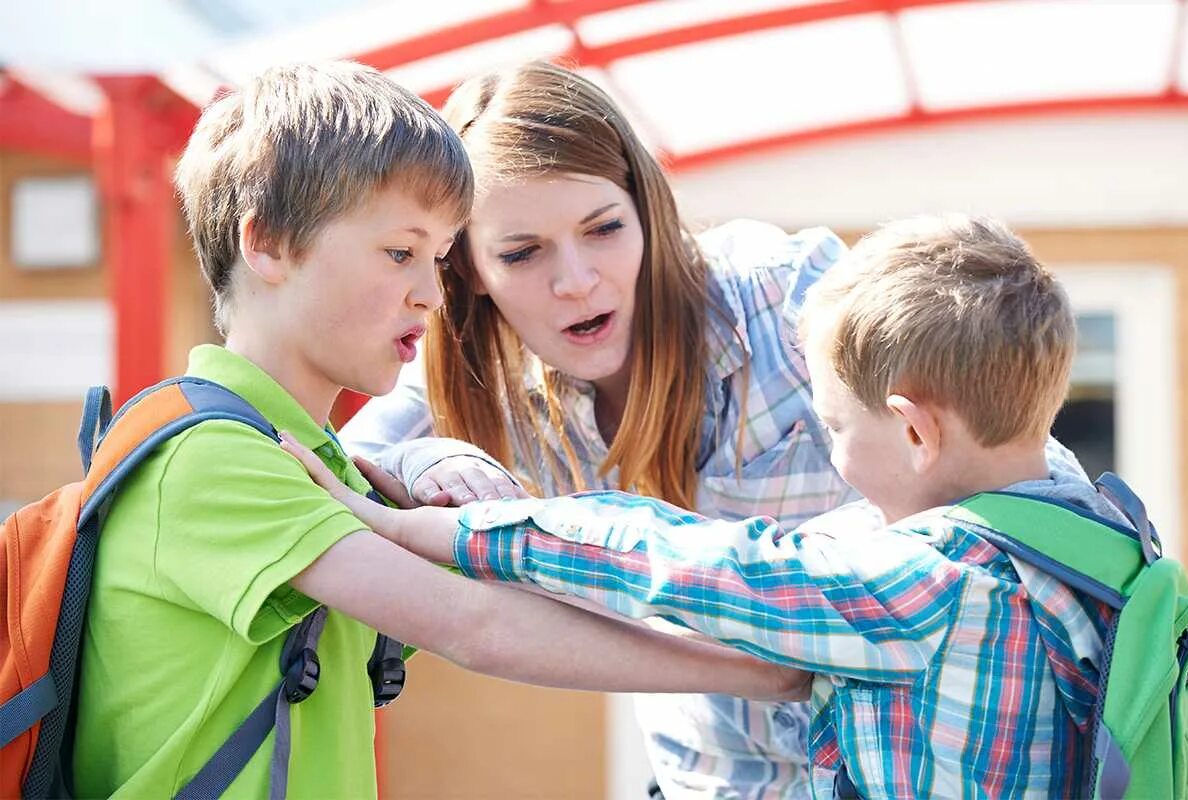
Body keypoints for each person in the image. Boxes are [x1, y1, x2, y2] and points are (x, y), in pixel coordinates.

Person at [69, 61, 810, 800]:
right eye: (402, 254)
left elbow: (515, 602)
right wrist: (779, 665)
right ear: (268, 245)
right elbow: (478, 625)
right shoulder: (216, 457)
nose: (430, 294)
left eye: (436, 258)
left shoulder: (327, 466)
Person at [297, 214, 1122, 798]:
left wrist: (435, 528)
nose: (830, 451)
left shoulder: (913, 588)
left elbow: (669, 555)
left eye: (834, 426)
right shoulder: (1101, 540)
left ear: (912, 432)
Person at [341, 60, 859, 798]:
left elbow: (1001, 467)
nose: (577, 279)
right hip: (711, 783)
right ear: (471, 270)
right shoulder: (473, 374)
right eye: (523, 252)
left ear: (642, 208)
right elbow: (335, 469)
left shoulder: (787, 294)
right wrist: (424, 458)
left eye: (604, 228)